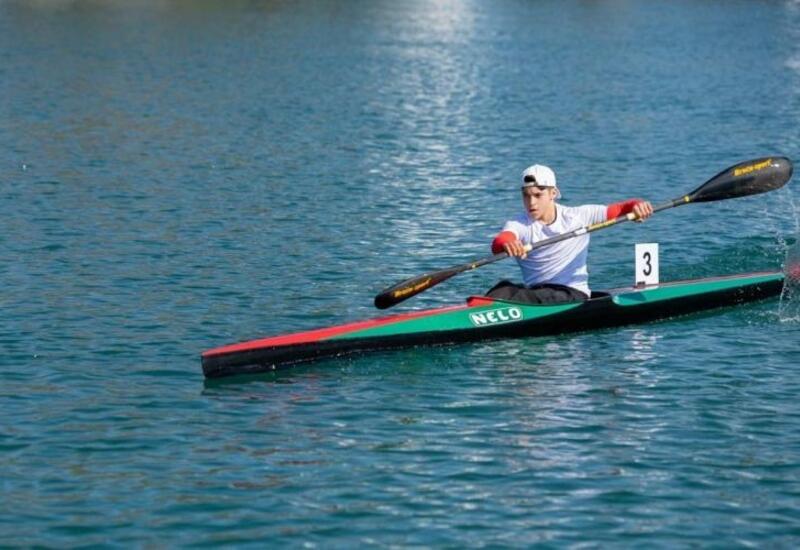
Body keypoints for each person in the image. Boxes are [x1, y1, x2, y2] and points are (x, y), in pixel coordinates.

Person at [487, 164, 653, 304]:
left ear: (553, 193)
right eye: (526, 196)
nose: (531, 203)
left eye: (538, 195)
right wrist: (507, 244)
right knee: (502, 289)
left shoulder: (578, 216)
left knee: (523, 296)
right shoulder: (519, 223)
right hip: (537, 296)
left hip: (572, 294)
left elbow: (622, 208)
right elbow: (500, 241)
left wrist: (638, 206)